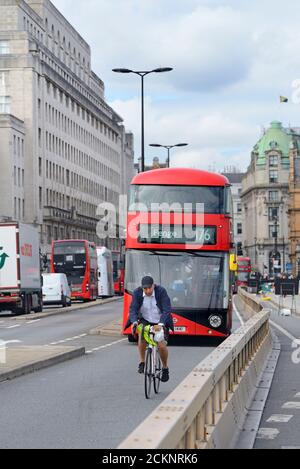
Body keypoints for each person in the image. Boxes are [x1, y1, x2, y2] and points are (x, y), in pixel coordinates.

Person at [128, 276, 174, 383]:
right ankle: (142, 362)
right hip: (145, 319)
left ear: (154, 285)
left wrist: (161, 324)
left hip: (160, 320)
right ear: (142, 288)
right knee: (142, 334)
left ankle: (165, 368)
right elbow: (133, 309)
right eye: (145, 288)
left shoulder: (161, 291)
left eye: (150, 288)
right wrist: (134, 321)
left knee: (161, 345)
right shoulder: (137, 293)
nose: (148, 290)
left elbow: (167, 309)